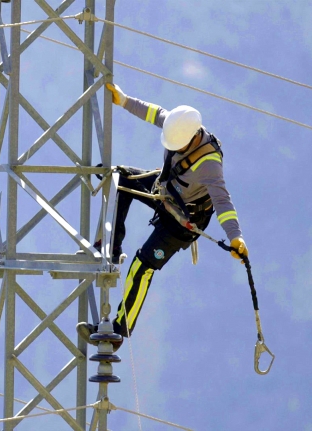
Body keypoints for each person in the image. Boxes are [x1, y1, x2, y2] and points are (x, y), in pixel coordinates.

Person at [77, 83, 249, 349]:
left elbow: (222, 201)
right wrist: (124, 100)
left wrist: (236, 238)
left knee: (143, 265)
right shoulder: (177, 125)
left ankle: (118, 332)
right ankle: (109, 249)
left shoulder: (210, 164)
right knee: (119, 177)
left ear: (193, 138)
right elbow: (153, 112)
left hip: (182, 223)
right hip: (165, 194)